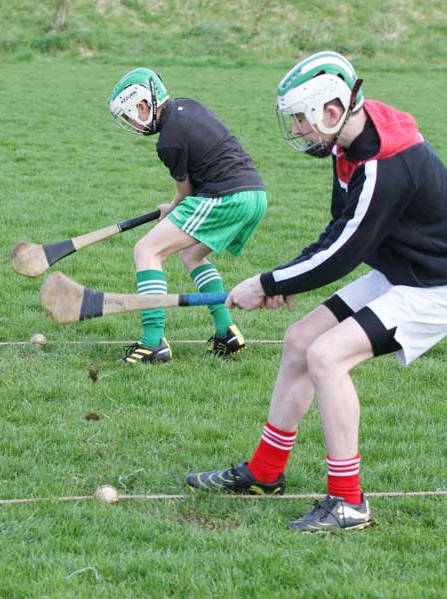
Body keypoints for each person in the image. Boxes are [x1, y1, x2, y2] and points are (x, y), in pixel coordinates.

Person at [185, 50, 447, 532]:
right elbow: (338, 229)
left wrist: (266, 282)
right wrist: (284, 280)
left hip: (435, 285)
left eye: (301, 120)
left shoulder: (382, 165)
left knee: (327, 356)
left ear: (331, 111)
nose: (299, 131)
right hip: (403, 271)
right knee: (300, 339)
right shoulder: (347, 144)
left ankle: (349, 502)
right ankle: (265, 473)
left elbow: (344, 253)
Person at [108, 68, 267, 364]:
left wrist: (172, 207)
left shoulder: (168, 141)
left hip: (226, 197)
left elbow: (184, 194)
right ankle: (226, 333)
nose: (131, 123)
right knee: (192, 255)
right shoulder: (187, 106)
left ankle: (153, 343)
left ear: (144, 106)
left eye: (130, 115)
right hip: (254, 194)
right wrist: (175, 208)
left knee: (147, 250)